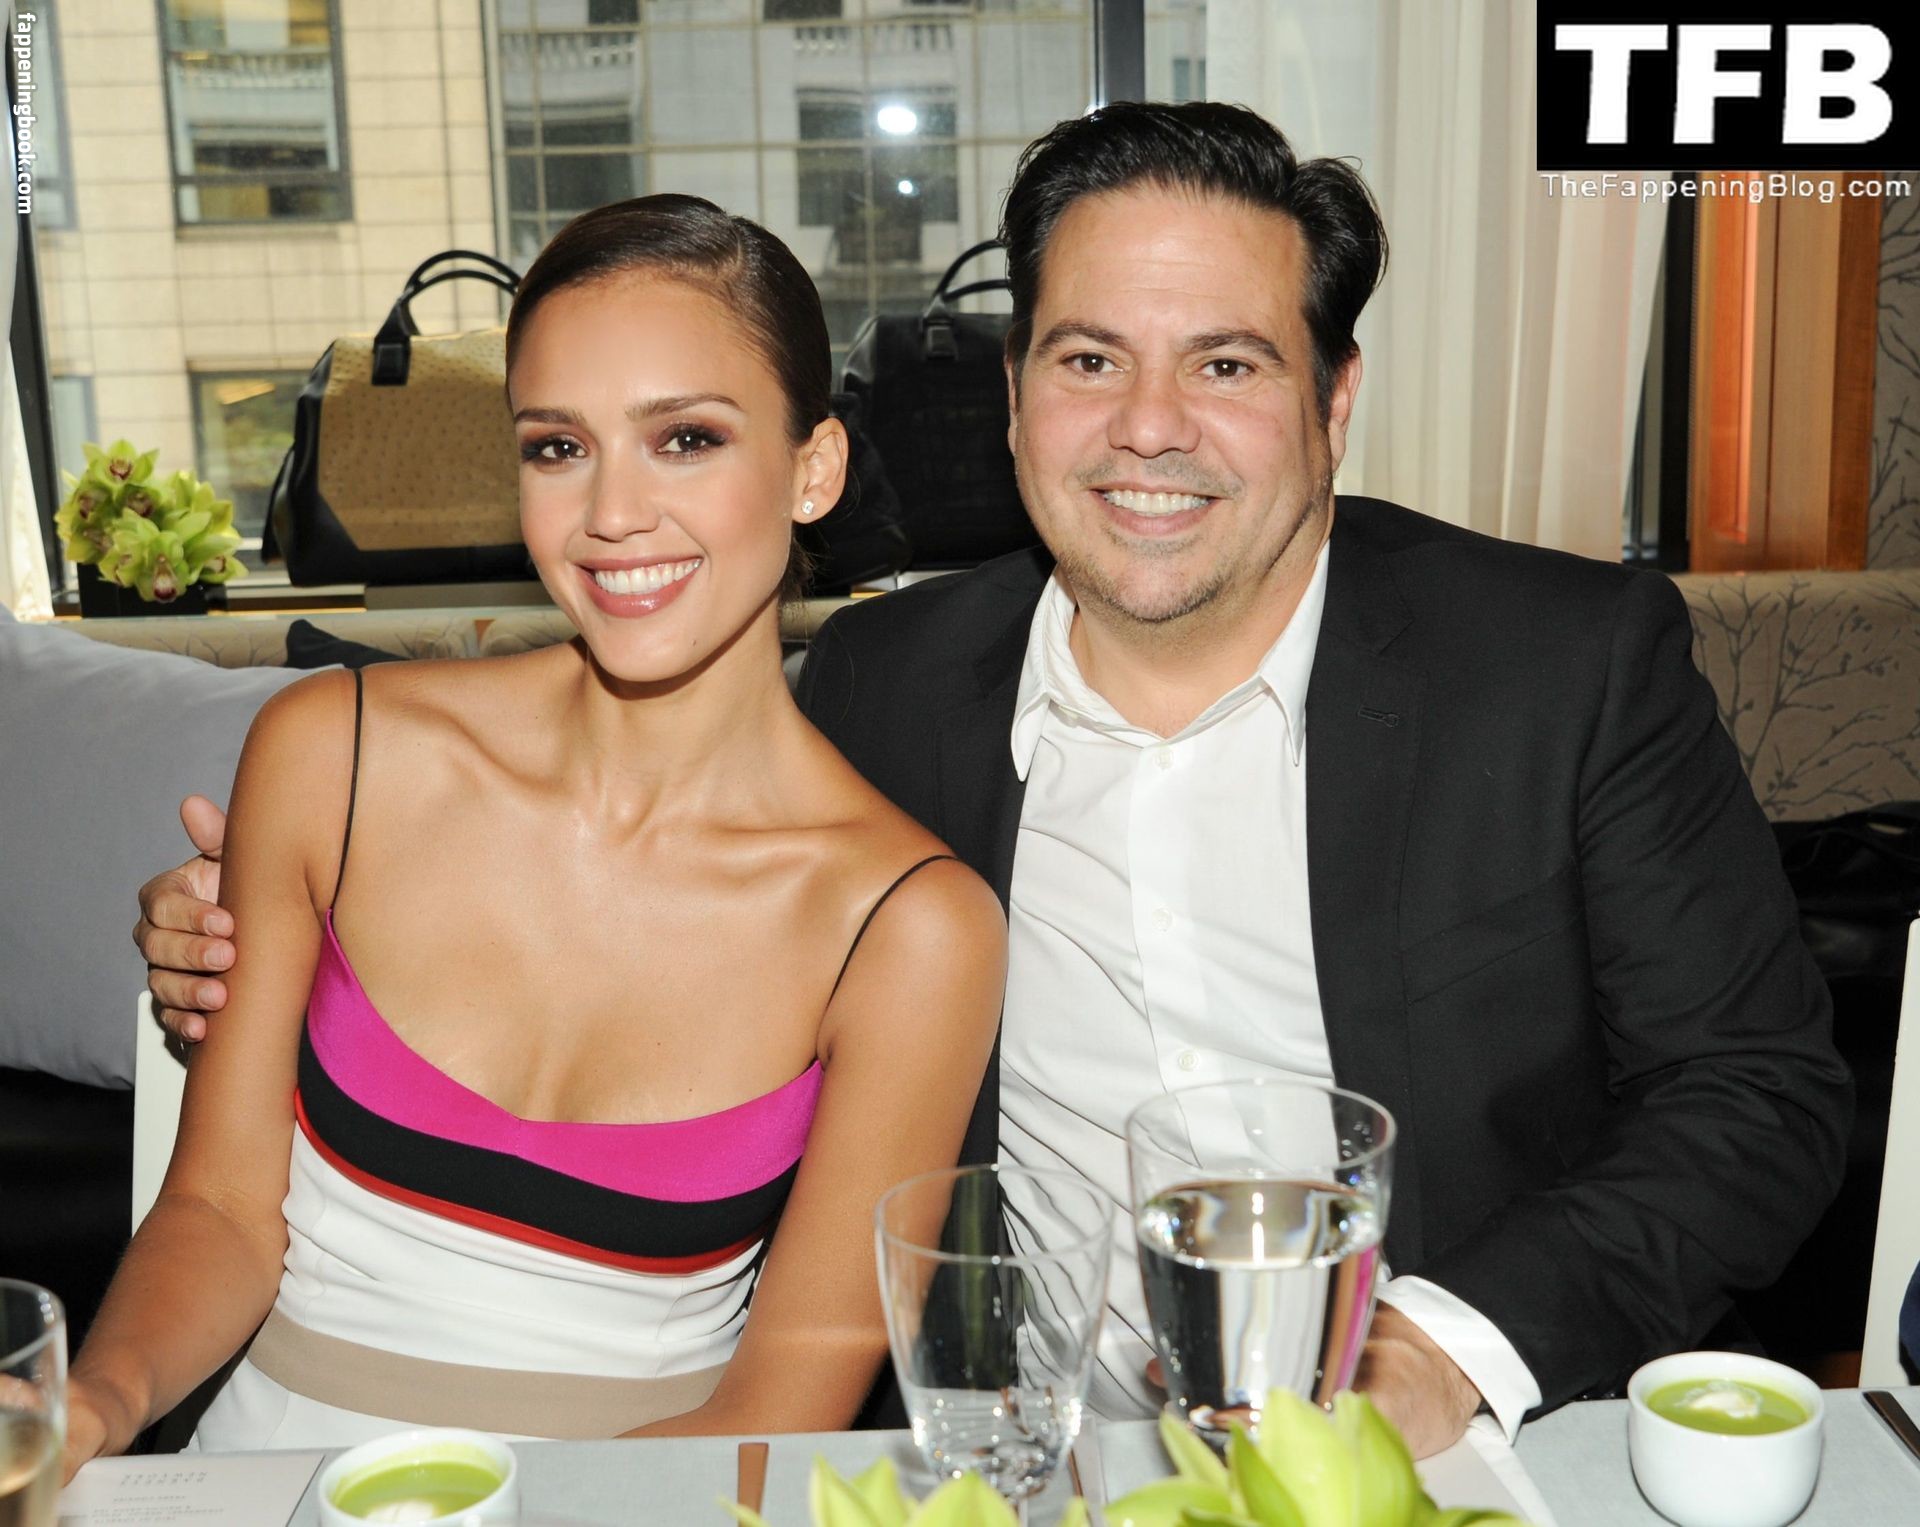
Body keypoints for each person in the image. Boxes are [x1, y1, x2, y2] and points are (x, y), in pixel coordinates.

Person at [134, 104, 1850, 1459]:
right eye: (1089, 357)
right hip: (1029, 1460)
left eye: (1227, 363)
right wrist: (241, 924)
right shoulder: (880, 692)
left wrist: (1439, 1354)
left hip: (1461, 1440)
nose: (1148, 427)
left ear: (1335, 400)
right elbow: (632, 869)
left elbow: (1763, 1094)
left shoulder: (1556, 666)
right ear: (1017, 393)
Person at [68, 195, 1005, 1476]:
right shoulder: (332, 755)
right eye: (559, 447)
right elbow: (221, 1213)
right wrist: (92, 1406)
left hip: (643, 1501)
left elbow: (780, 1403)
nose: (612, 513)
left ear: (814, 469)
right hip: (269, 1481)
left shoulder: (909, 929)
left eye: (685, 438)